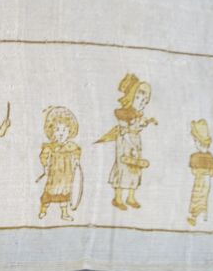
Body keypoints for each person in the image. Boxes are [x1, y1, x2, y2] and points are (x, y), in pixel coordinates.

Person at [96, 73, 158, 211]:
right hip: (126, 144)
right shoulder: (123, 114)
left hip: (135, 143)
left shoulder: (137, 114)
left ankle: (131, 197)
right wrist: (131, 144)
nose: (142, 103)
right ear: (130, 97)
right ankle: (118, 198)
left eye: (145, 101)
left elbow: (138, 125)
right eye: (138, 98)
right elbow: (124, 132)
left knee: (135, 168)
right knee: (123, 168)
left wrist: (148, 122)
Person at [38, 106, 82, 222]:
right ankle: (43, 210)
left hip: (66, 176)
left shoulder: (71, 146)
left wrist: (76, 159)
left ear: (69, 131)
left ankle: (64, 213)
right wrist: (45, 165)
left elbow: (77, 152)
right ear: (52, 132)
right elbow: (43, 155)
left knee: (65, 195)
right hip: (54, 175)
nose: (61, 133)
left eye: (64, 130)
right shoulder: (50, 146)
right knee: (48, 193)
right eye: (57, 130)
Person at [187, 120, 213, 227]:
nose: (195, 143)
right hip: (205, 181)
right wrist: (206, 172)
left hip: (201, 181)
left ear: (199, 142)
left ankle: (196, 217)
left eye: (195, 141)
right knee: (202, 197)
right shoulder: (209, 156)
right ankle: (201, 216)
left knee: (198, 197)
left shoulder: (196, 156)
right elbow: (212, 172)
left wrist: (201, 172)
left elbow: (194, 171)